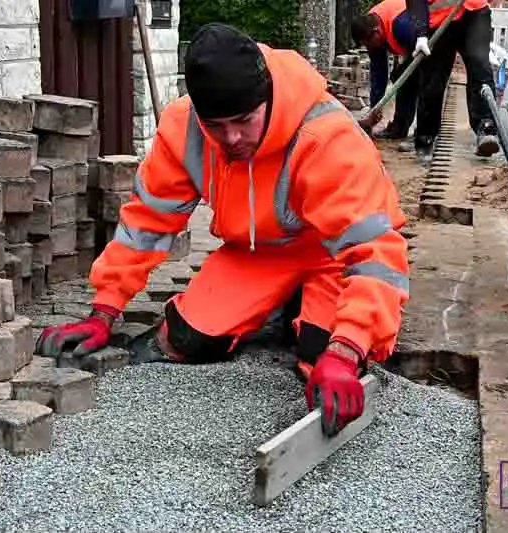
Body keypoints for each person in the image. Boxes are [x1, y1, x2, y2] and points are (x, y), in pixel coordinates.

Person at [35, 23, 410, 437]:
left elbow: (374, 253)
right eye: (216, 125)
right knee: (186, 340)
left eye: (245, 121)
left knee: (323, 360)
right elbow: (146, 223)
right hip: (257, 255)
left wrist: (347, 347)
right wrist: (103, 309)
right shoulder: (184, 129)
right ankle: (284, 307)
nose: (231, 138)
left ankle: (305, 315)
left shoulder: (326, 135)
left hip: (331, 255)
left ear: (267, 98)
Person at [404, 0, 501, 158]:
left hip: (473, 12)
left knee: (479, 64)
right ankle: (425, 135)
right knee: (432, 79)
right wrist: (421, 33)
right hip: (439, 20)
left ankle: (486, 127)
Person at [350, 0, 429, 141]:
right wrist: (374, 109)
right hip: (410, 36)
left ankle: (424, 131)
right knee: (402, 77)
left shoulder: (401, 27)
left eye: (368, 43)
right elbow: (378, 74)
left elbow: (424, 61)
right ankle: (400, 128)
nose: (369, 47)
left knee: (416, 80)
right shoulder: (371, 29)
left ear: (377, 32)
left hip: (428, 36)